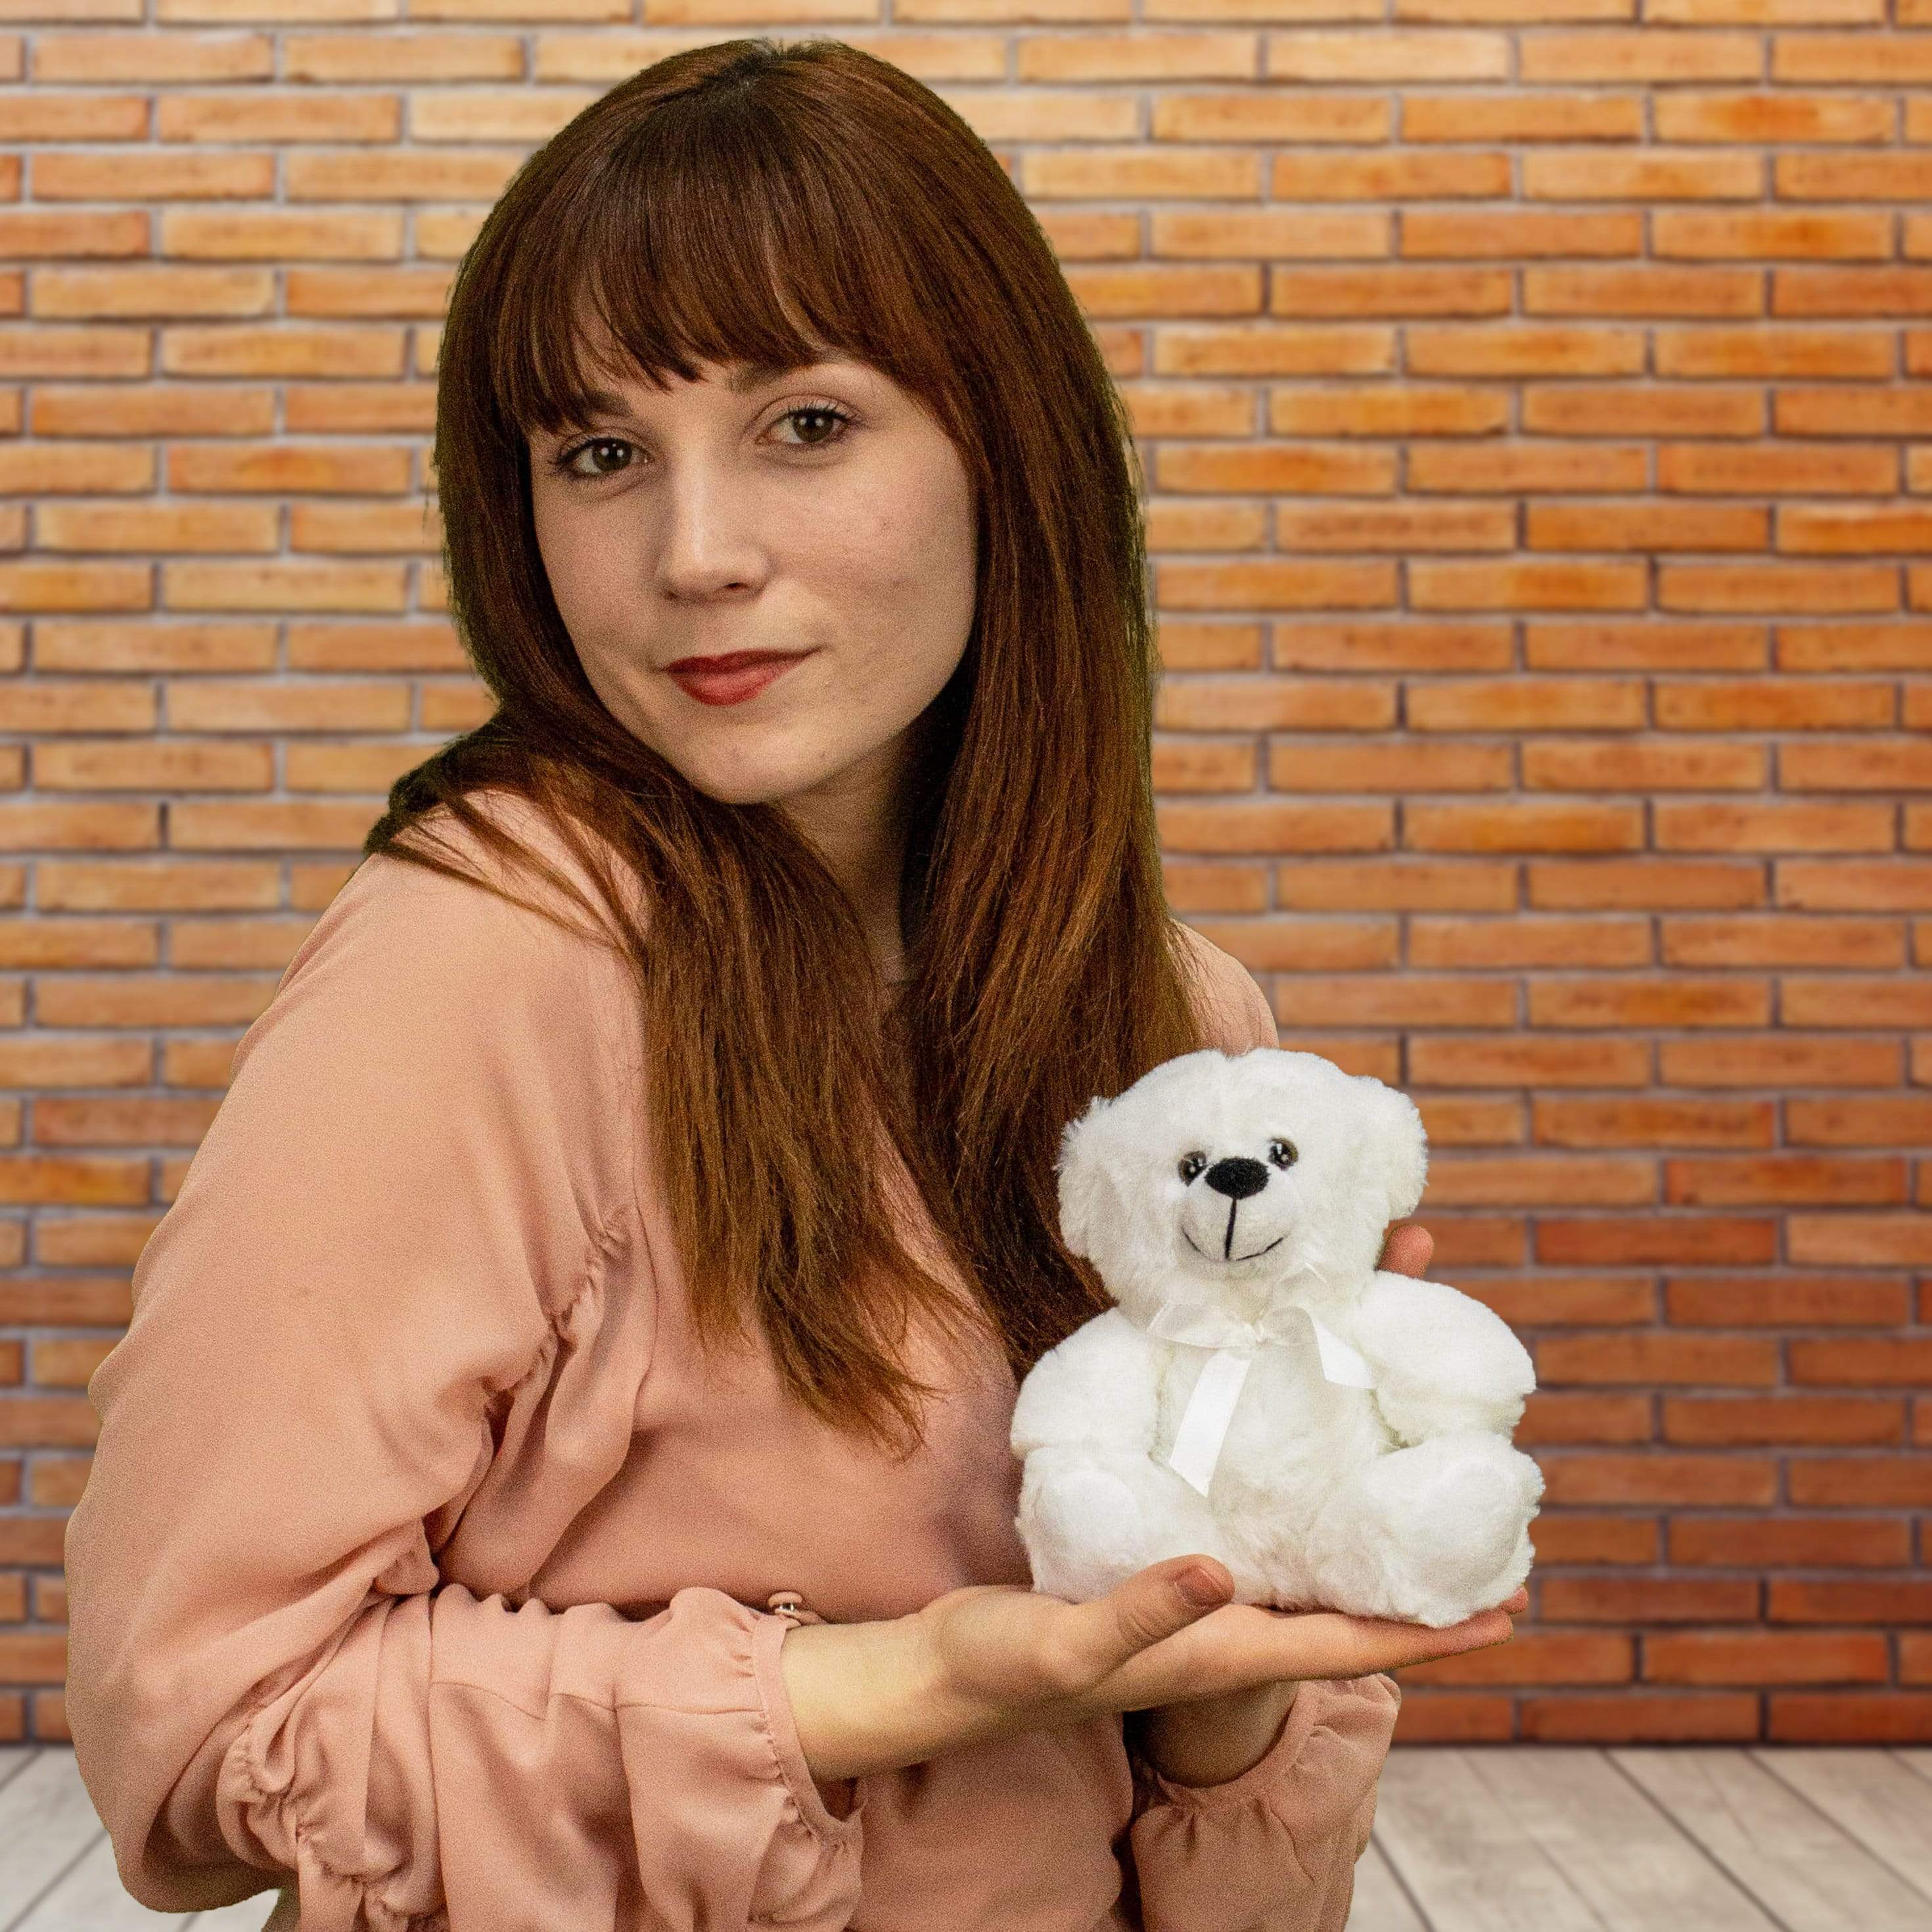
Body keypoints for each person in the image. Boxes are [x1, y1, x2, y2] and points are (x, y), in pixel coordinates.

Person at [60, 35, 1525, 1932]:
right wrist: (905, 1683)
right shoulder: (486, 953)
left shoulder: (1176, 1023)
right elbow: (198, 1727)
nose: (694, 555)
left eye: (803, 425)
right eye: (599, 454)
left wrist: (1226, 1654)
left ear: (1006, 444)